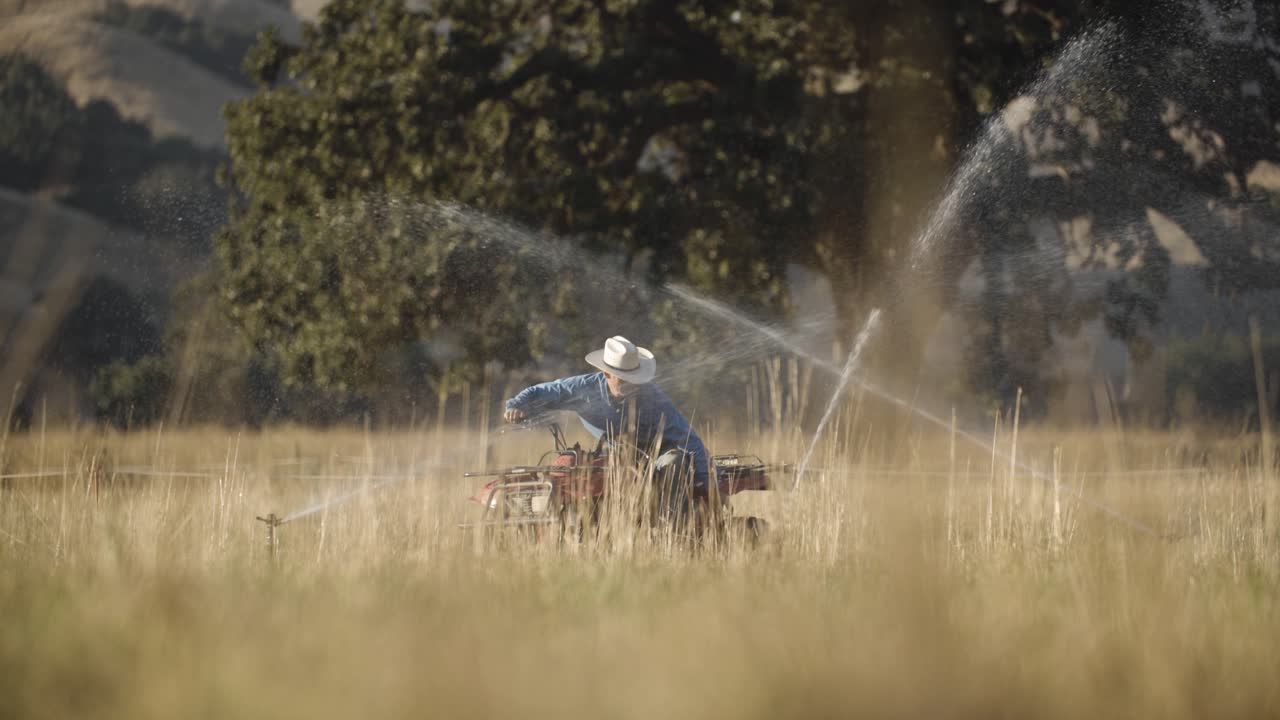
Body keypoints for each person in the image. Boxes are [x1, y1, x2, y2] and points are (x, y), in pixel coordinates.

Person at [503, 336, 712, 518]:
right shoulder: (582, 388)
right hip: (613, 453)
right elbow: (538, 392)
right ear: (606, 374)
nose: (632, 385)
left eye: (635, 379)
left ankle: (673, 529)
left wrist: (708, 479)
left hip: (658, 452)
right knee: (580, 470)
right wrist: (516, 406)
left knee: (674, 463)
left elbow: (686, 436)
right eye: (625, 380)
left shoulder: (653, 398)